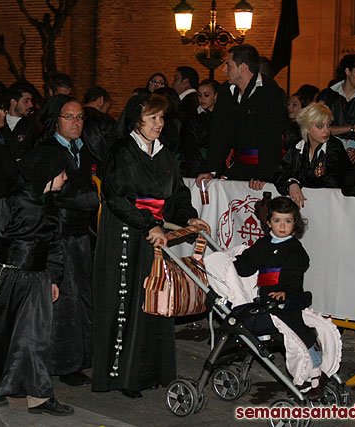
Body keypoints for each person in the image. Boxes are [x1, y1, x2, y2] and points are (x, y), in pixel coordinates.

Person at [92, 93, 210, 399]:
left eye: (162, 118)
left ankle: (152, 371)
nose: (160, 124)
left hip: (153, 234)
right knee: (129, 301)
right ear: (137, 120)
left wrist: (189, 217)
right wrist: (149, 224)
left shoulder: (164, 152)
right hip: (127, 235)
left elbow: (177, 193)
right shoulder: (121, 151)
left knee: (156, 299)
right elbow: (118, 197)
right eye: (153, 118)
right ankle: (124, 376)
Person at [0, 146, 74, 416]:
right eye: (61, 172)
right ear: (47, 173)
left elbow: (55, 246)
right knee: (0, 335)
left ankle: (39, 395)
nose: (65, 177)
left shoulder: (52, 207)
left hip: (39, 279)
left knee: (37, 337)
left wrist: (54, 277)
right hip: (8, 276)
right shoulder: (10, 202)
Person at [233, 196, 325, 399]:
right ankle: (311, 373)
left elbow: (294, 273)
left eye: (288, 221)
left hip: (288, 298)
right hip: (266, 301)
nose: (282, 226)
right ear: (268, 223)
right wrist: (233, 263)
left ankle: (315, 372)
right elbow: (246, 265)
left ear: (295, 224)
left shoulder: (295, 249)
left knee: (298, 330)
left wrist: (285, 290)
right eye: (277, 221)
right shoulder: (263, 244)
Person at [39, 95, 99, 387]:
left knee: (82, 300)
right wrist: (88, 200)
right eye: (69, 117)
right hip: (58, 237)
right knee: (63, 302)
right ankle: (62, 363)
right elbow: (53, 197)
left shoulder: (83, 150)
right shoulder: (47, 151)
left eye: (80, 118)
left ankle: (81, 358)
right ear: (56, 120)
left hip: (81, 237)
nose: (76, 123)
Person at [197, 44, 287, 190]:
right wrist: (211, 170)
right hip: (237, 166)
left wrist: (263, 174)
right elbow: (219, 134)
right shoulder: (226, 90)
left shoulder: (271, 92)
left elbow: (272, 136)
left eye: (228, 65)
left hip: (263, 170)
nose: (224, 69)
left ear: (242, 67)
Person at [273, 102, 350, 207]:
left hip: (335, 206)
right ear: (307, 128)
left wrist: (297, 182)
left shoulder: (335, 147)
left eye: (329, 125)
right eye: (320, 126)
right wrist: (291, 183)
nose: (326, 130)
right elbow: (280, 173)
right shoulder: (297, 146)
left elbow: (332, 181)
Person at [180, 79, 218, 177]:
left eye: (206, 95)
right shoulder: (192, 119)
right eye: (199, 95)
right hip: (196, 170)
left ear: (216, 95)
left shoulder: (224, 118)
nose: (202, 99)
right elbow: (190, 148)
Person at [82, 86, 117, 178]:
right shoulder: (106, 120)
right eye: (107, 106)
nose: (107, 110)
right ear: (101, 100)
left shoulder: (74, 119)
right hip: (101, 171)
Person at [4, 82, 38, 161]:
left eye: (31, 101)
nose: (31, 105)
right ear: (13, 102)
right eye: (26, 101)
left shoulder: (33, 124)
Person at [284, 84, 320, 152]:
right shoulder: (285, 126)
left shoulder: (308, 127)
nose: (289, 107)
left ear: (304, 107)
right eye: (288, 104)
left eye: (294, 104)